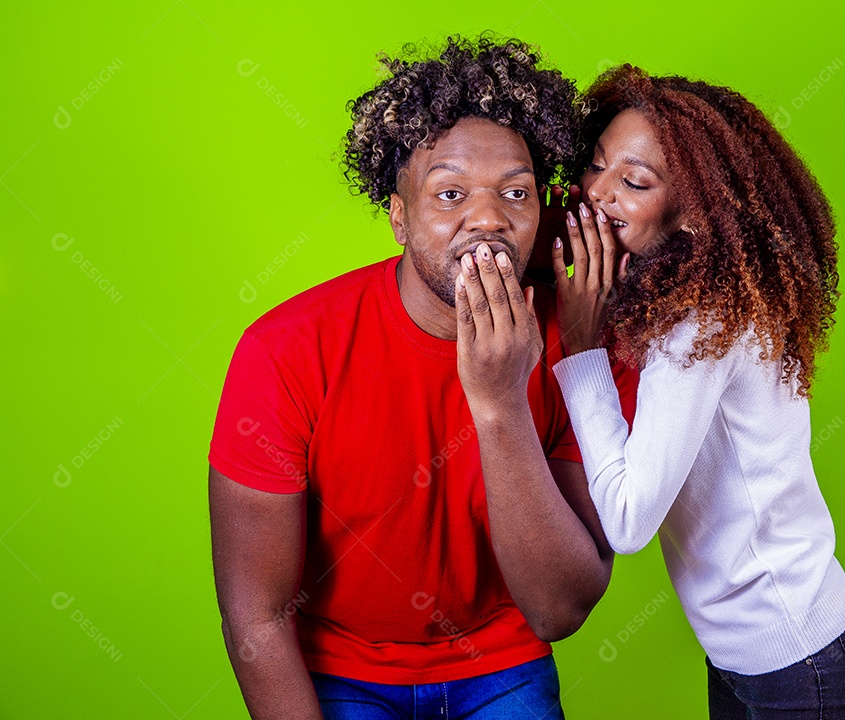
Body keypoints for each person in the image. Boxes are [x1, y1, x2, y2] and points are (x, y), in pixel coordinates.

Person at [207, 37, 635, 720]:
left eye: (516, 193)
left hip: (503, 664)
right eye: (451, 193)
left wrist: (500, 405)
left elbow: (560, 608)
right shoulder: (285, 351)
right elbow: (254, 615)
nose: (489, 217)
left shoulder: (579, 343)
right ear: (399, 219)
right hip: (337, 668)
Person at [545, 65, 845, 718]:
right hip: (751, 659)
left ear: (696, 208)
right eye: (596, 165)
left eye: (636, 182)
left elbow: (628, 520)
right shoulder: (695, 293)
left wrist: (581, 346)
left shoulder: (700, 325)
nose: (598, 193)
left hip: (805, 670)